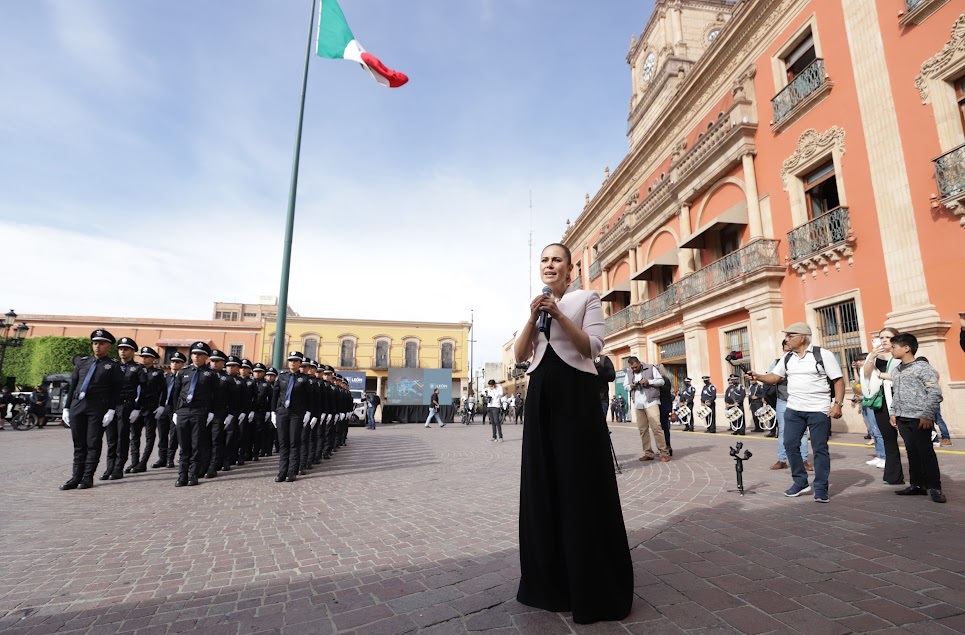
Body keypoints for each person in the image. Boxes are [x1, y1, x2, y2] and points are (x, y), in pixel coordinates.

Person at [513, 242, 632, 624]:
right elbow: (519, 355)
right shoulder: (537, 304)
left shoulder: (586, 298)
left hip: (575, 396)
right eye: (544, 260)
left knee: (579, 484)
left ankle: (590, 585)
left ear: (570, 269)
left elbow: (592, 348)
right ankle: (548, 583)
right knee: (542, 483)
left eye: (556, 260)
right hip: (540, 396)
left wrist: (560, 316)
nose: (549, 265)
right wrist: (534, 317)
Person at [748, 322, 844, 503]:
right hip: (794, 409)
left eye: (790, 336)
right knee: (790, 444)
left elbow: (838, 380)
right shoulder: (787, 358)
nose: (787, 339)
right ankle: (800, 482)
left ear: (803, 337)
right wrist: (758, 376)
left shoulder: (823, 355)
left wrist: (837, 404)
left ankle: (821, 488)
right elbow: (775, 378)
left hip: (818, 410)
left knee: (819, 448)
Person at [59, 329, 123, 490]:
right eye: (95, 343)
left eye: (101, 344)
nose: (97, 347)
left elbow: (116, 389)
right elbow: (73, 385)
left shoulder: (112, 366)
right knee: (78, 444)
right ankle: (75, 477)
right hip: (77, 405)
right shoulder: (82, 362)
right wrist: (66, 408)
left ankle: (87, 477)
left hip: (97, 407)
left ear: (108, 346)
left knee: (93, 443)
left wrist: (111, 410)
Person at [889, 333, 946, 503]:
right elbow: (895, 394)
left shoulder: (923, 368)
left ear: (906, 348)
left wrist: (927, 415)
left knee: (926, 452)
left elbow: (935, 393)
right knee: (911, 452)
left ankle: (934, 487)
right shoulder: (896, 370)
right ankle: (917, 485)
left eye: (894, 347)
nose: (891, 350)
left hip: (920, 418)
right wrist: (893, 412)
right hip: (902, 418)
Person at [167, 341, 219, 487]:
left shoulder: (211, 374)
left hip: (199, 411)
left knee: (196, 445)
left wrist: (212, 413)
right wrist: (175, 412)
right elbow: (176, 393)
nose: (196, 356)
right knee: (183, 445)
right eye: (194, 353)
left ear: (206, 357)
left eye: (200, 354)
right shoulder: (183, 372)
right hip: (183, 411)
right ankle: (182, 475)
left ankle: (193, 475)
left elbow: (216, 396)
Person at [862, 327, 905, 486]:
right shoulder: (876, 357)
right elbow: (866, 373)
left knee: (909, 438)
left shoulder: (900, 356)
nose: (884, 340)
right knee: (888, 438)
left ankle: (920, 476)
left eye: (888, 337)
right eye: (881, 337)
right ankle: (894, 476)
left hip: (900, 398)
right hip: (882, 401)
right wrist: (872, 356)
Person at [104, 337, 145, 480]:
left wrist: (137, 408)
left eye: (126, 349)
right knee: (111, 437)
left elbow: (143, 389)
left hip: (126, 404)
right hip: (112, 405)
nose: (122, 351)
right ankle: (109, 466)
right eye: (120, 349)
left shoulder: (138, 369)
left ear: (132, 351)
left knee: (122, 436)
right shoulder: (112, 366)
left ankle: (118, 467)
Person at [768, 339, 811, 471]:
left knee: (802, 432)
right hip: (783, 400)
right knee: (782, 431)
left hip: (800, 400)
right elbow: (770, 377)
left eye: (791, 351)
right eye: (787, 351)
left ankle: (803, 461)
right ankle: (782, 460)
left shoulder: (802, 361)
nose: (789, 353)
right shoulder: (777, 363)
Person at [271, 351, 311, 482]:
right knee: (283, 443)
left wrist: (309, 412)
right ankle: (282, 471)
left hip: (296, 413)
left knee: (294, 442)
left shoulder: (305, 379)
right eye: (290, 360)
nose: (292, 363)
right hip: (282, 412)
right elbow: (275, 395)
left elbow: (310, 398)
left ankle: (292, 472)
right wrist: (273, 412)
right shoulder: (282, 377)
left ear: (300, 363)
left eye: (295, 361)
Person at [623, 356, 670, 462]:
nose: (634, 369)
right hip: (638, 404)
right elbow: (625, 386)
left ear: (639, 363)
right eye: (632, 368)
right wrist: (631, 386)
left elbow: (661, 381)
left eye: (636, 367)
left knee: (657, 427)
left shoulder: (650, 368)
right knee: (643, 430)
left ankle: (663, 452)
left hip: (651, 402)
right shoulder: (629, 373)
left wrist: (649, 381)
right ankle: (648, 453)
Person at [128, 346, 166, 473]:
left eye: (147, 357)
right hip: (136, 408)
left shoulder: (157, 373)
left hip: (150, 408)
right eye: (143, 356)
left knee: (149, 437)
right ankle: (134, 462)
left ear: (154, 359)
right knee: (134, 437)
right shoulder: (136, 371)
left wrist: (161, 405)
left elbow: (163, 391)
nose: (144, 359)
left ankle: (143, 462)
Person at [154, 351, 186, 469]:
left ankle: (169, 459)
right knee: (162, 435)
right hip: (163, 408)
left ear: (182, 364)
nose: (174, 364)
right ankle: (161, 458)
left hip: (175, 409)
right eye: (172, 361)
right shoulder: (165, 377)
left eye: (177, 362)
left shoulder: (184, 377)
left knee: (174, 436)